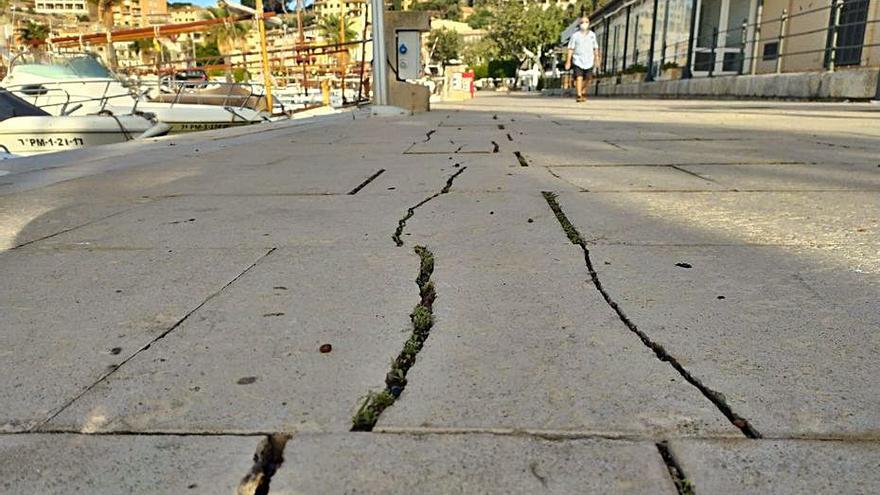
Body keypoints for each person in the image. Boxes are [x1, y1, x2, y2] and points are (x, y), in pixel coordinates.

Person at [565, 17, 601, 103]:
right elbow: (570, 49)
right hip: (578, 60)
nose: (584, 24)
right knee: (579, 77)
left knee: (589, 78)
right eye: (582, 22)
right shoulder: (575, 36)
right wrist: (568, 61)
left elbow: (595, 48)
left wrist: (597, 59)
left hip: (589, 60)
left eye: (586, 22)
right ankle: (579, 95)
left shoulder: (592, 35)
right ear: (579, 24)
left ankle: (582, 89)